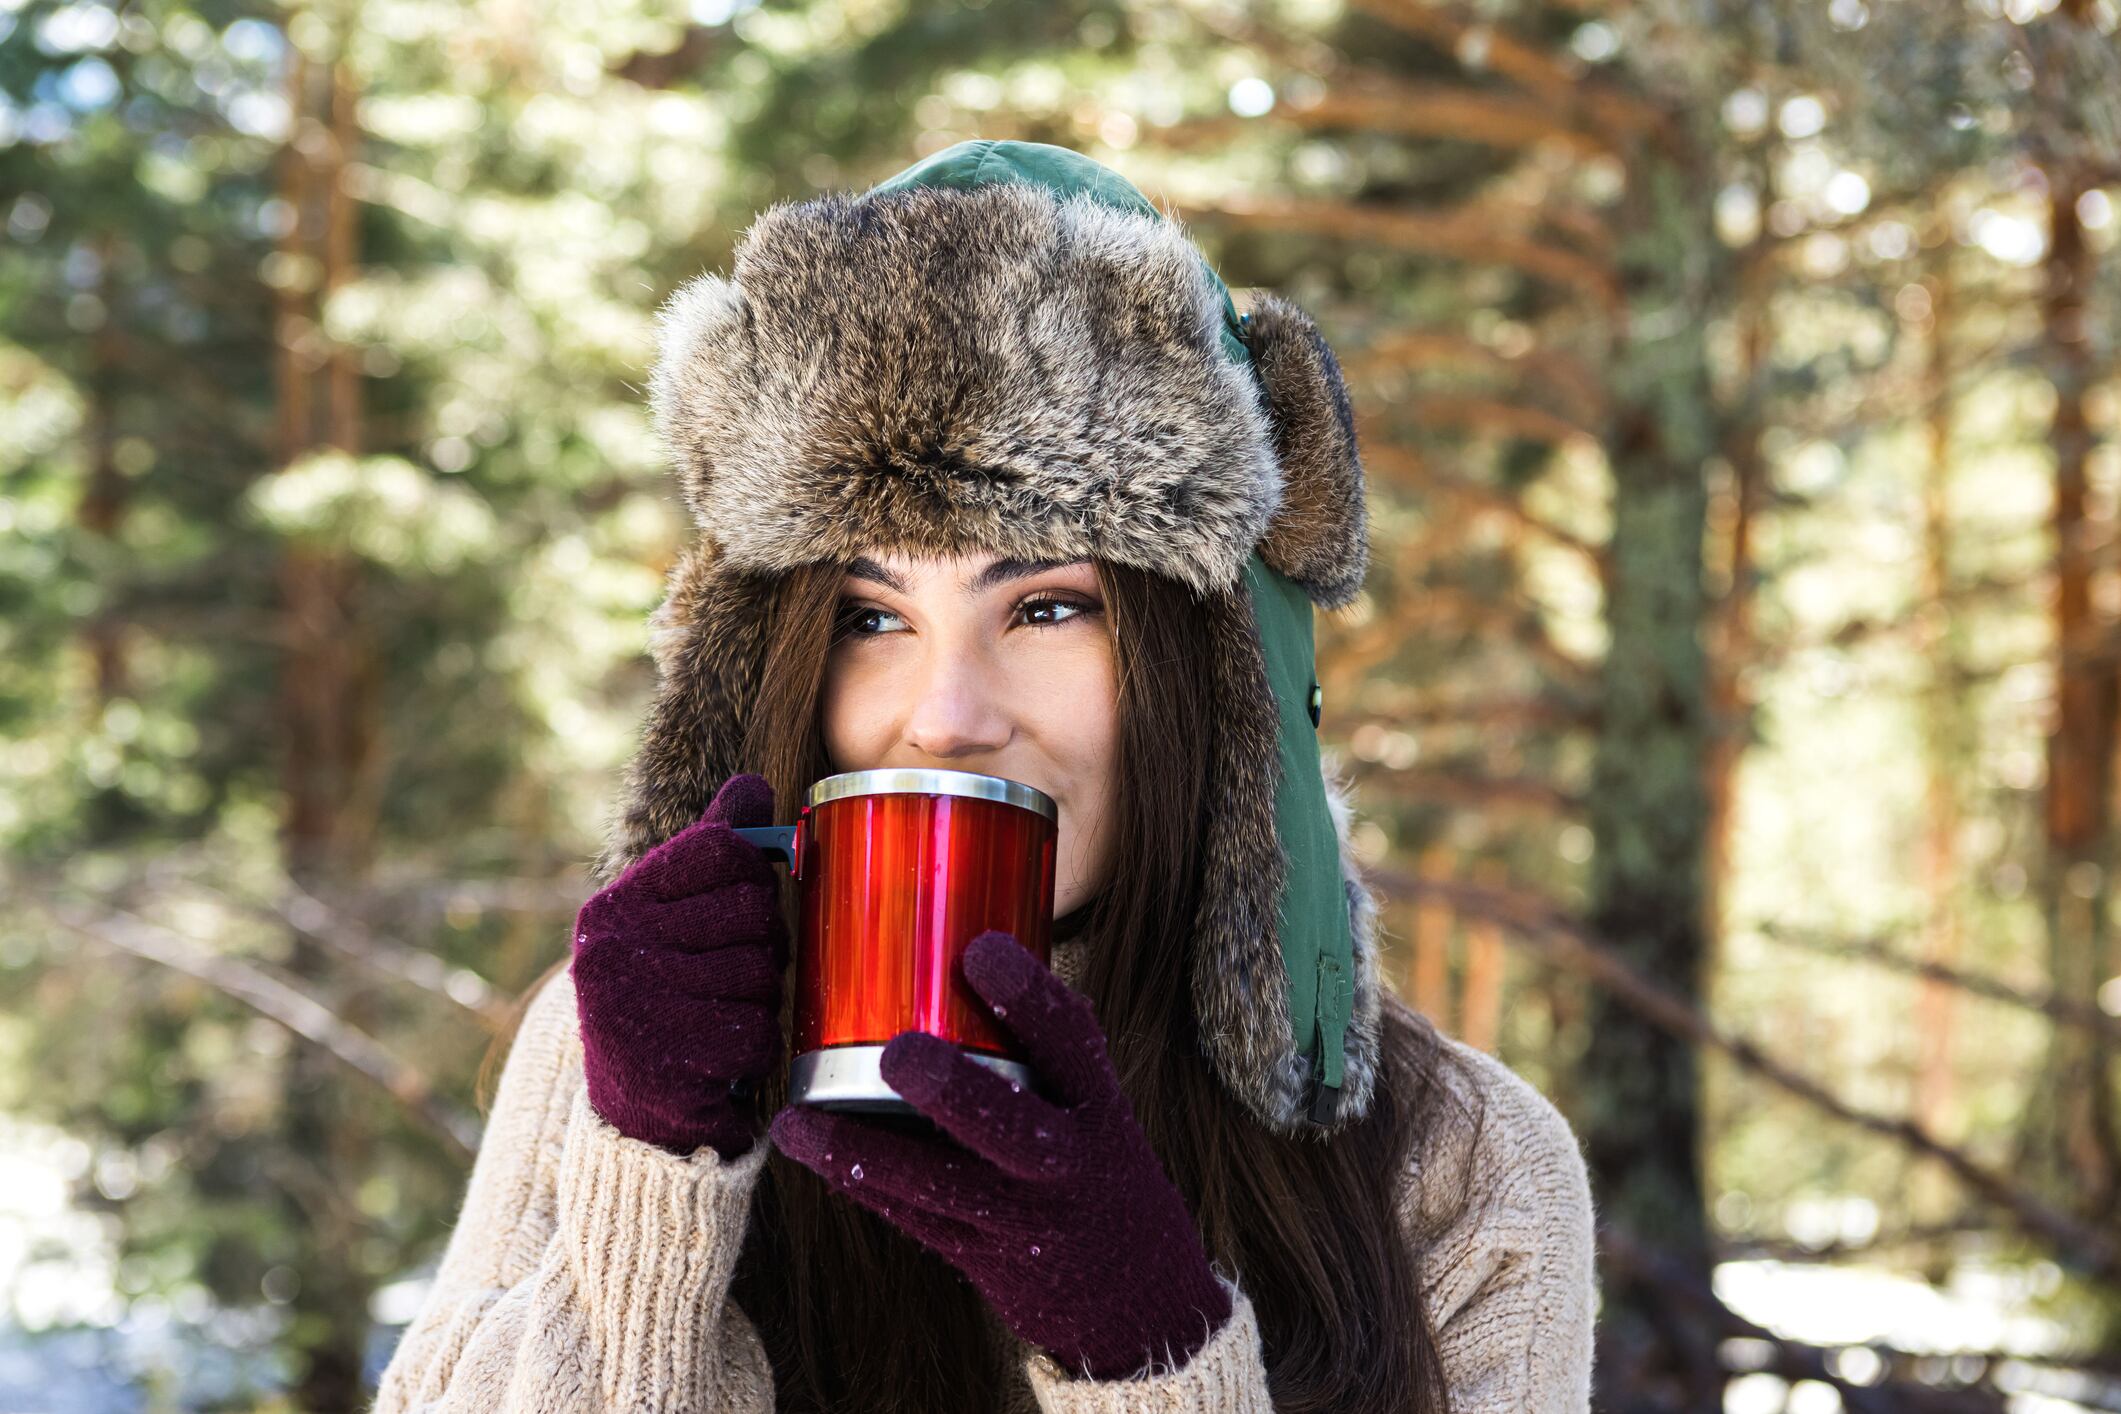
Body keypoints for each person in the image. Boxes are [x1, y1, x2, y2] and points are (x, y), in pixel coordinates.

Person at [371, 139, 1597, 1414]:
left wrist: (1147, 1349)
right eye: (872, 617)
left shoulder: (1469, 1169)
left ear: (1211, 682)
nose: (946, 720)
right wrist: (653, 1186)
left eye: (1051, 609)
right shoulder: (620, 1050)